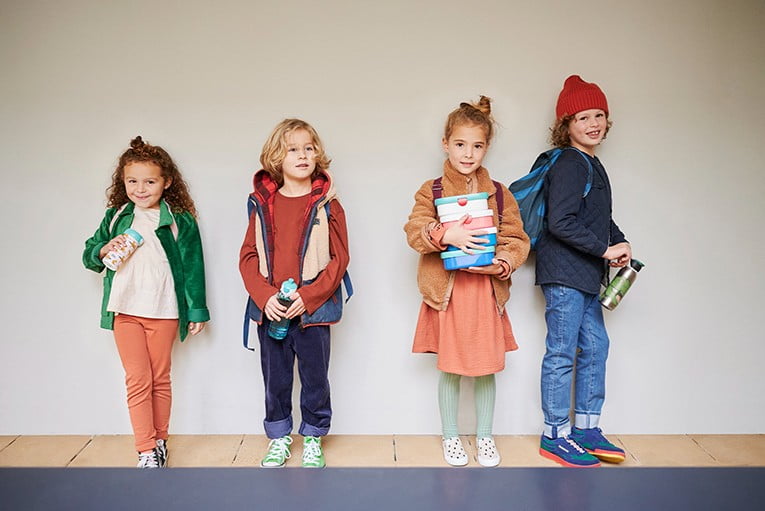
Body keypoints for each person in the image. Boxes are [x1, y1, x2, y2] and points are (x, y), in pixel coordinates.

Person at [404, 97, 530, 467]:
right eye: (460, 144)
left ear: (486, 147)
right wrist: (446, 234)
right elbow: (414, 231)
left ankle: (486, 437)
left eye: (477, 145)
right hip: (449, 294)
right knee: (452, 367)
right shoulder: (432, 190)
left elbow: (517, 240)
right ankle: (450, 437)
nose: (468, 153)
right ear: (446, 143)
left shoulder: (501, 194)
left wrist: (503, 263)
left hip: (485, 295)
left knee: (485, 366)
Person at [83, 136, 209, 469]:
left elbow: (193, 266)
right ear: (122, 182)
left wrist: (196, 309)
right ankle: (145, 450)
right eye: (132, 181)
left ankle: (161, 441)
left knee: (160, 378)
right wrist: (102, 250)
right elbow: (90, 253)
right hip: (125, 310)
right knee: (137, 379)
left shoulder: (179, 220)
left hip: (165, 310)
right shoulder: (117, 215)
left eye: (150, 181)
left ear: (166, 182)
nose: (140, 188)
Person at [240, 119, 350, 469]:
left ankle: (314, 436)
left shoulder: (329, 204)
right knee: (276, 377)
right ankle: (279, 438)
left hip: (312, 313)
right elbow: (247, 257)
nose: (302, 155)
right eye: (292, 149)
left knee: (316, 377)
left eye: (309, 148)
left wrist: (310, 296)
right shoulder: (261, 204)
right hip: (270, 310)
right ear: (276, 157)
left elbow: (340, 258)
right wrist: (264, 296)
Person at [536, 75, 631, 468]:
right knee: (561, 353)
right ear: (566, 126)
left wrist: (619, 243)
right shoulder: (570, 163)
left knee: (595, 347)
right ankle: (554, 435)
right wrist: (604, 249)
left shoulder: (592, 163)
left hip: (586, 272)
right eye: (582, 117)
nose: (593, 123)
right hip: (564, 273)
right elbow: (560, 221)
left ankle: (586, 429)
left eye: (599, 115)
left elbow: (599, 218)